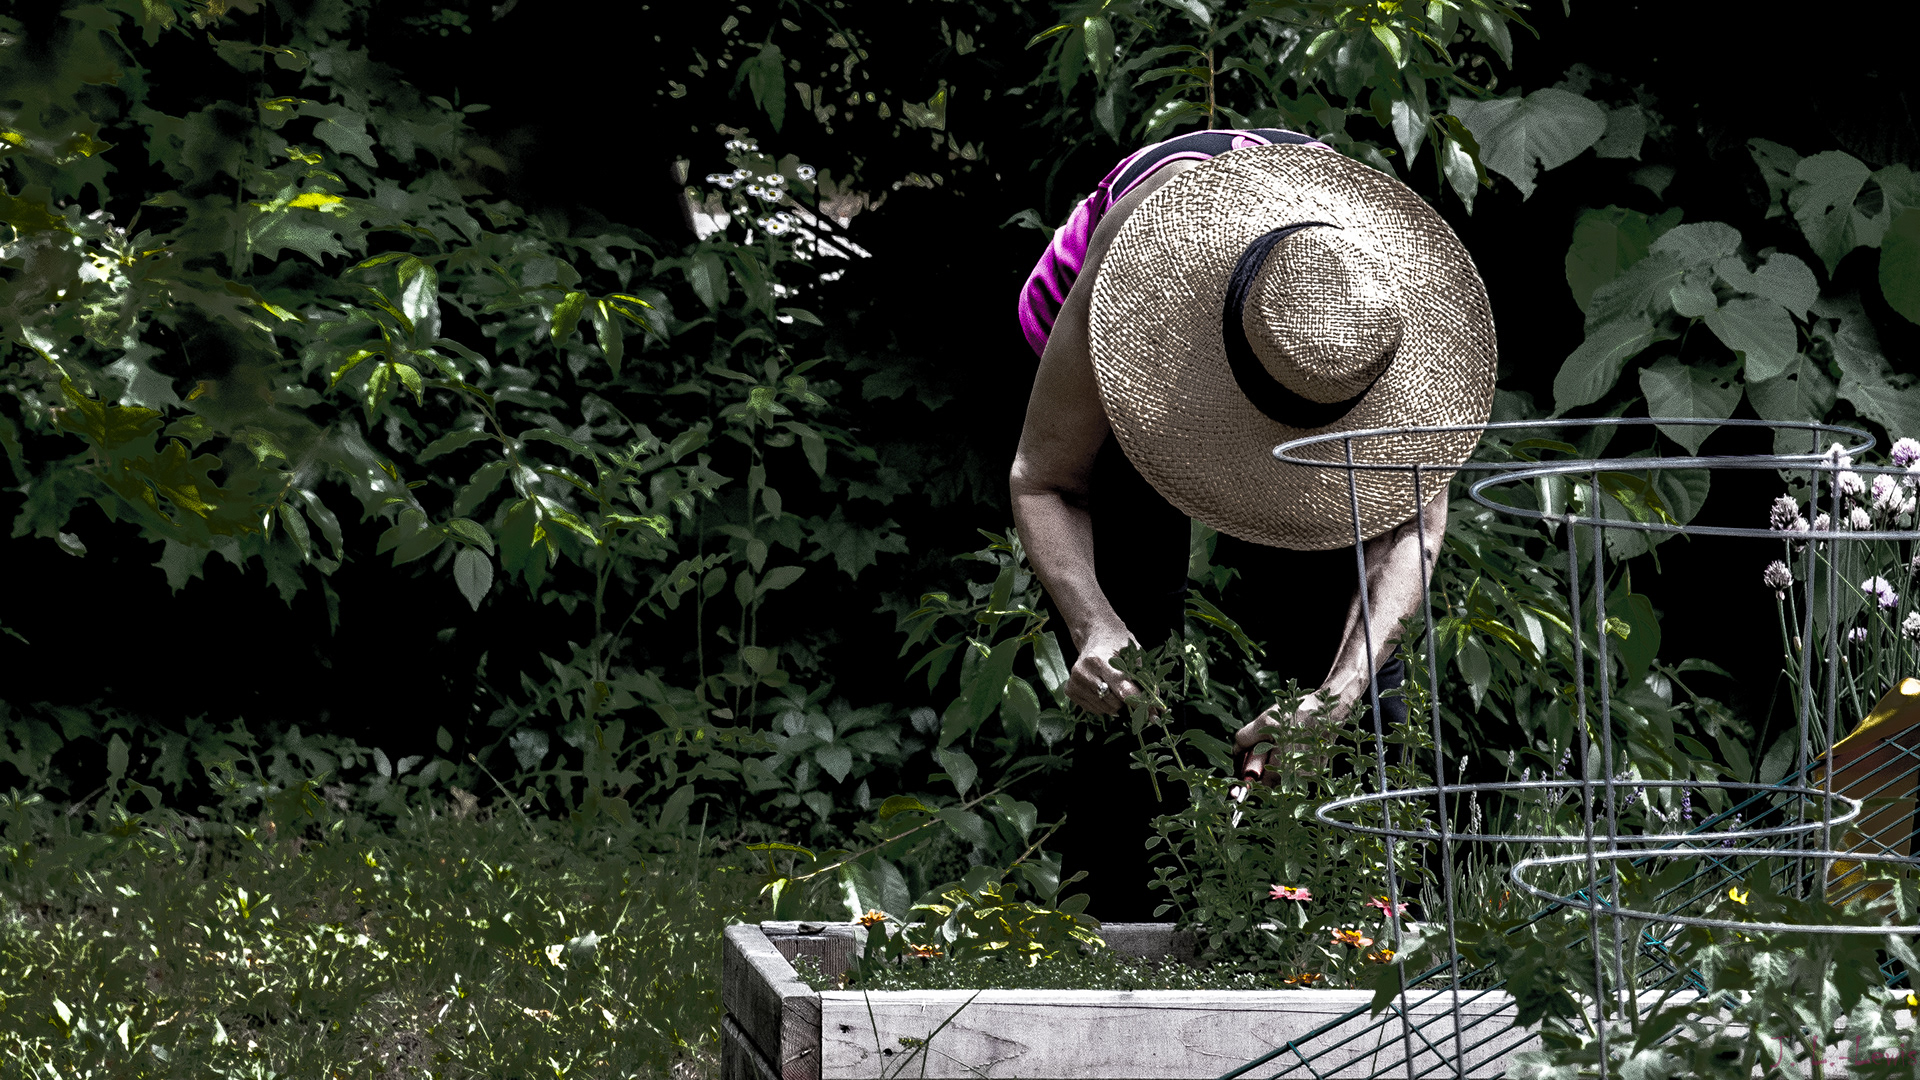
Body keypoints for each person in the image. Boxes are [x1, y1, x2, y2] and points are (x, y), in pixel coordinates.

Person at [1008, 129, 1497, 917]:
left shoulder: (1381, 319)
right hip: (1140, 357)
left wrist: (1336, 697)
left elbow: (1410, 536)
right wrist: (1093, 623)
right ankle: (1116, 940)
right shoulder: (1140, 264)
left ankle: (1366, 927)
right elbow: (1043, 480)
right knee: (1131, 676)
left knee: (1360, 684)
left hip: (1323, 404)